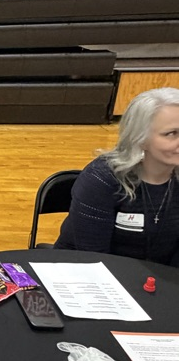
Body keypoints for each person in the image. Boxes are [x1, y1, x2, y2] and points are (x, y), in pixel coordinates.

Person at [55, 87, 179, 265]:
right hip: (91, 274)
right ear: (140, 138)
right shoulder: (101, 179)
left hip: (158, 280)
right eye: (171, 134)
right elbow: (93, 259)